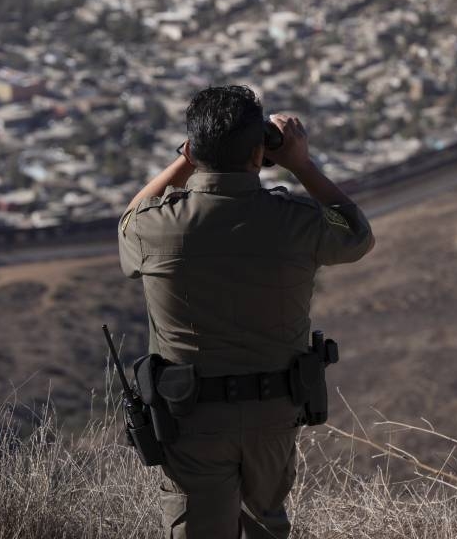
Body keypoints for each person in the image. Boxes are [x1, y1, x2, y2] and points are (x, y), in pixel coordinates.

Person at [117, 85, 375, 538]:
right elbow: (356, 233)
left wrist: (187, 158)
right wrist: (300, 163)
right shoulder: (296, 221)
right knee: (265, 525)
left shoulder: (155, 228)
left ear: (194, 150)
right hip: (273, 412)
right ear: (259, 155)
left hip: (191, 418)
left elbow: (129, 217)